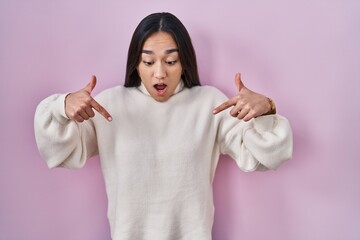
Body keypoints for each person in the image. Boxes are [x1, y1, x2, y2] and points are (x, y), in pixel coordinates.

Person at [34, 12, 292, 240]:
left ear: (184, 63)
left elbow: (266, 156)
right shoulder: (109, 105)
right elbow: (60, 151)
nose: (159, 73)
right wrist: (61, 106)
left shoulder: (210, 104)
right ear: (136, 63)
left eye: (170, 62)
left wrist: (267, 108)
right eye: (148, 62)